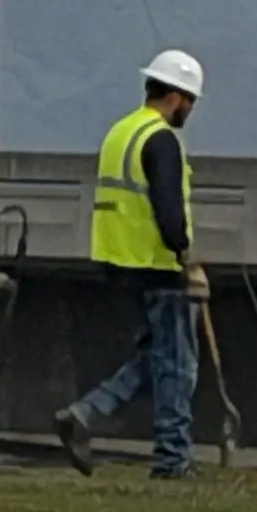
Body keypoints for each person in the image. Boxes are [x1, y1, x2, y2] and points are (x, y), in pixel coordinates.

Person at [53, 48, 206, 477]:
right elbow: (168, 208)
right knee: (176, 364)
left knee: (156, 357)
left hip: (118, 264)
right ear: (176, 97)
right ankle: (172, 459)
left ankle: (85, 414)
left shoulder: (120, 133)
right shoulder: (161, 139)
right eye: (190, 101)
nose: (190, 110)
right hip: (156, 264)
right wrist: (184, 254)